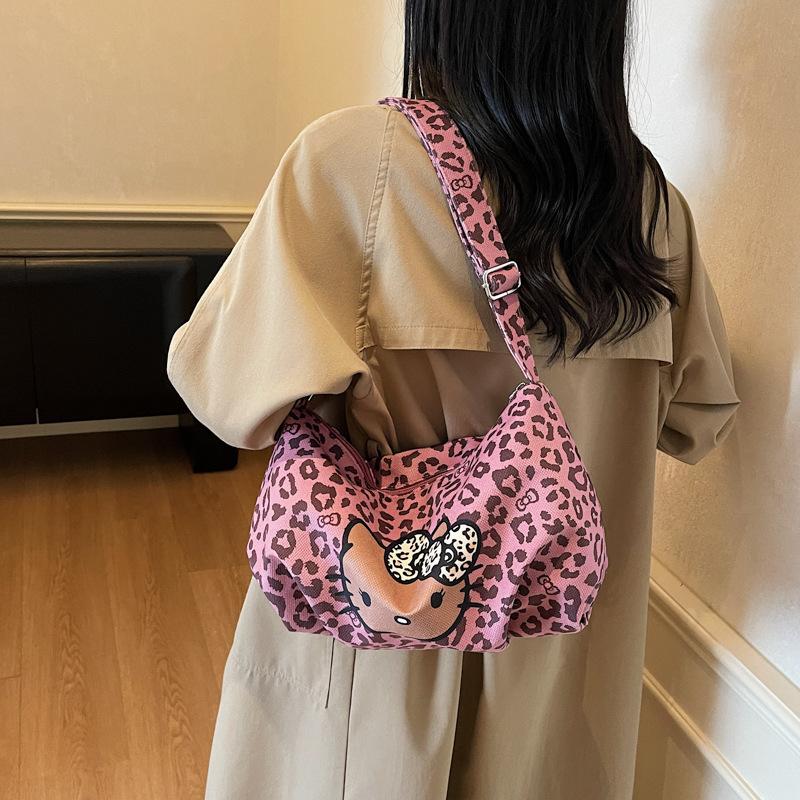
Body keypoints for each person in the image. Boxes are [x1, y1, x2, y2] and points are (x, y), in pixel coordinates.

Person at [166, 2, 740, 798]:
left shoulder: (351, 168)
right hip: (563, 683)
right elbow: (699, 420)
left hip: (374, 680)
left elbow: (222, 392)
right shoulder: (654, 211)